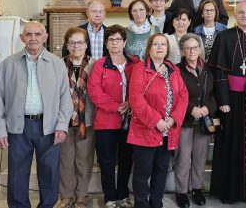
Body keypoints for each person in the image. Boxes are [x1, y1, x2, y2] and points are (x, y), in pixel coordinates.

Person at [0, 21, 73, 208]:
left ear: (45, 37)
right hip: (18, 127)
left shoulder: (57, 64)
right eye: (29, 34)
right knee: (17, 174)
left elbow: (65, 100)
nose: (33, 38)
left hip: (49, 127)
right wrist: (0, 130)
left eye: (38, 34)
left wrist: (61, 126)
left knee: (50, 172)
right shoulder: (8, 64)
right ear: (22, 38)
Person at [208, 0, 246, 203]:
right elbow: (218, 71)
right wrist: (223, 99)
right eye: (241, 12)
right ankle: (230, 190)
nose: (245, 15)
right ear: (235, 15)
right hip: (231, 100)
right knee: (230, 143)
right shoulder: (224, 37)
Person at [128, 33, 188, 208]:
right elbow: (136, 98)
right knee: (142, 172)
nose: (160, 47)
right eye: (156, 44)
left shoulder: (173, 69)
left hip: (168, 130)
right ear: (149, 48)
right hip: (145, 130)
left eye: (163, 44)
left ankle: (156, 203)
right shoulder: (140, 68)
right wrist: (156, 121)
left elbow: (183, 95)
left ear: (168, 49)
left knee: (161, 170)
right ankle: (141, 204)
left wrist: (173, 119)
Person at [88, 24, 139, 208]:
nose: (115, 43)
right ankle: (110, 197)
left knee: (126, 160)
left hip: (130, 122)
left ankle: (123, 195)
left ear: (124, 42)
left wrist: (130, 104)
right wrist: (116, 106)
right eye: (111, 40)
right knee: (107, 162)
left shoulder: (135, 63)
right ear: (106, 43)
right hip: (105, 122)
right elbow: (94, 92)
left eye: (118, 39)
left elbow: (141, 88)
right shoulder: (99, 64)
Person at [174, 33, 217, 207]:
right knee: (183, 158)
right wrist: (192, 109)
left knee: (200, 158)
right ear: (182, 51)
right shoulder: (176, 69)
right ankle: (181, 192)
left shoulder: (207, 69)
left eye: (195, 47)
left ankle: (197, 189)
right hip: (185, 120)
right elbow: (175, 95)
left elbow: (214, 93)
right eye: (188, 48)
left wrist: (208, 108)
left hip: (204, 121)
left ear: (200, 49)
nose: (192, 51)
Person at [58, 27, 96, 208]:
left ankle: (81, 196)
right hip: (63, 121)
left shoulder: (95, 64)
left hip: (86, 120)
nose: (76, 46)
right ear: (67, 45)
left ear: (86, 45)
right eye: (72, 42)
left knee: (83, 160)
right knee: (65, 160)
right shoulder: (58, 64)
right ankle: (66, 196)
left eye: (80, 42)